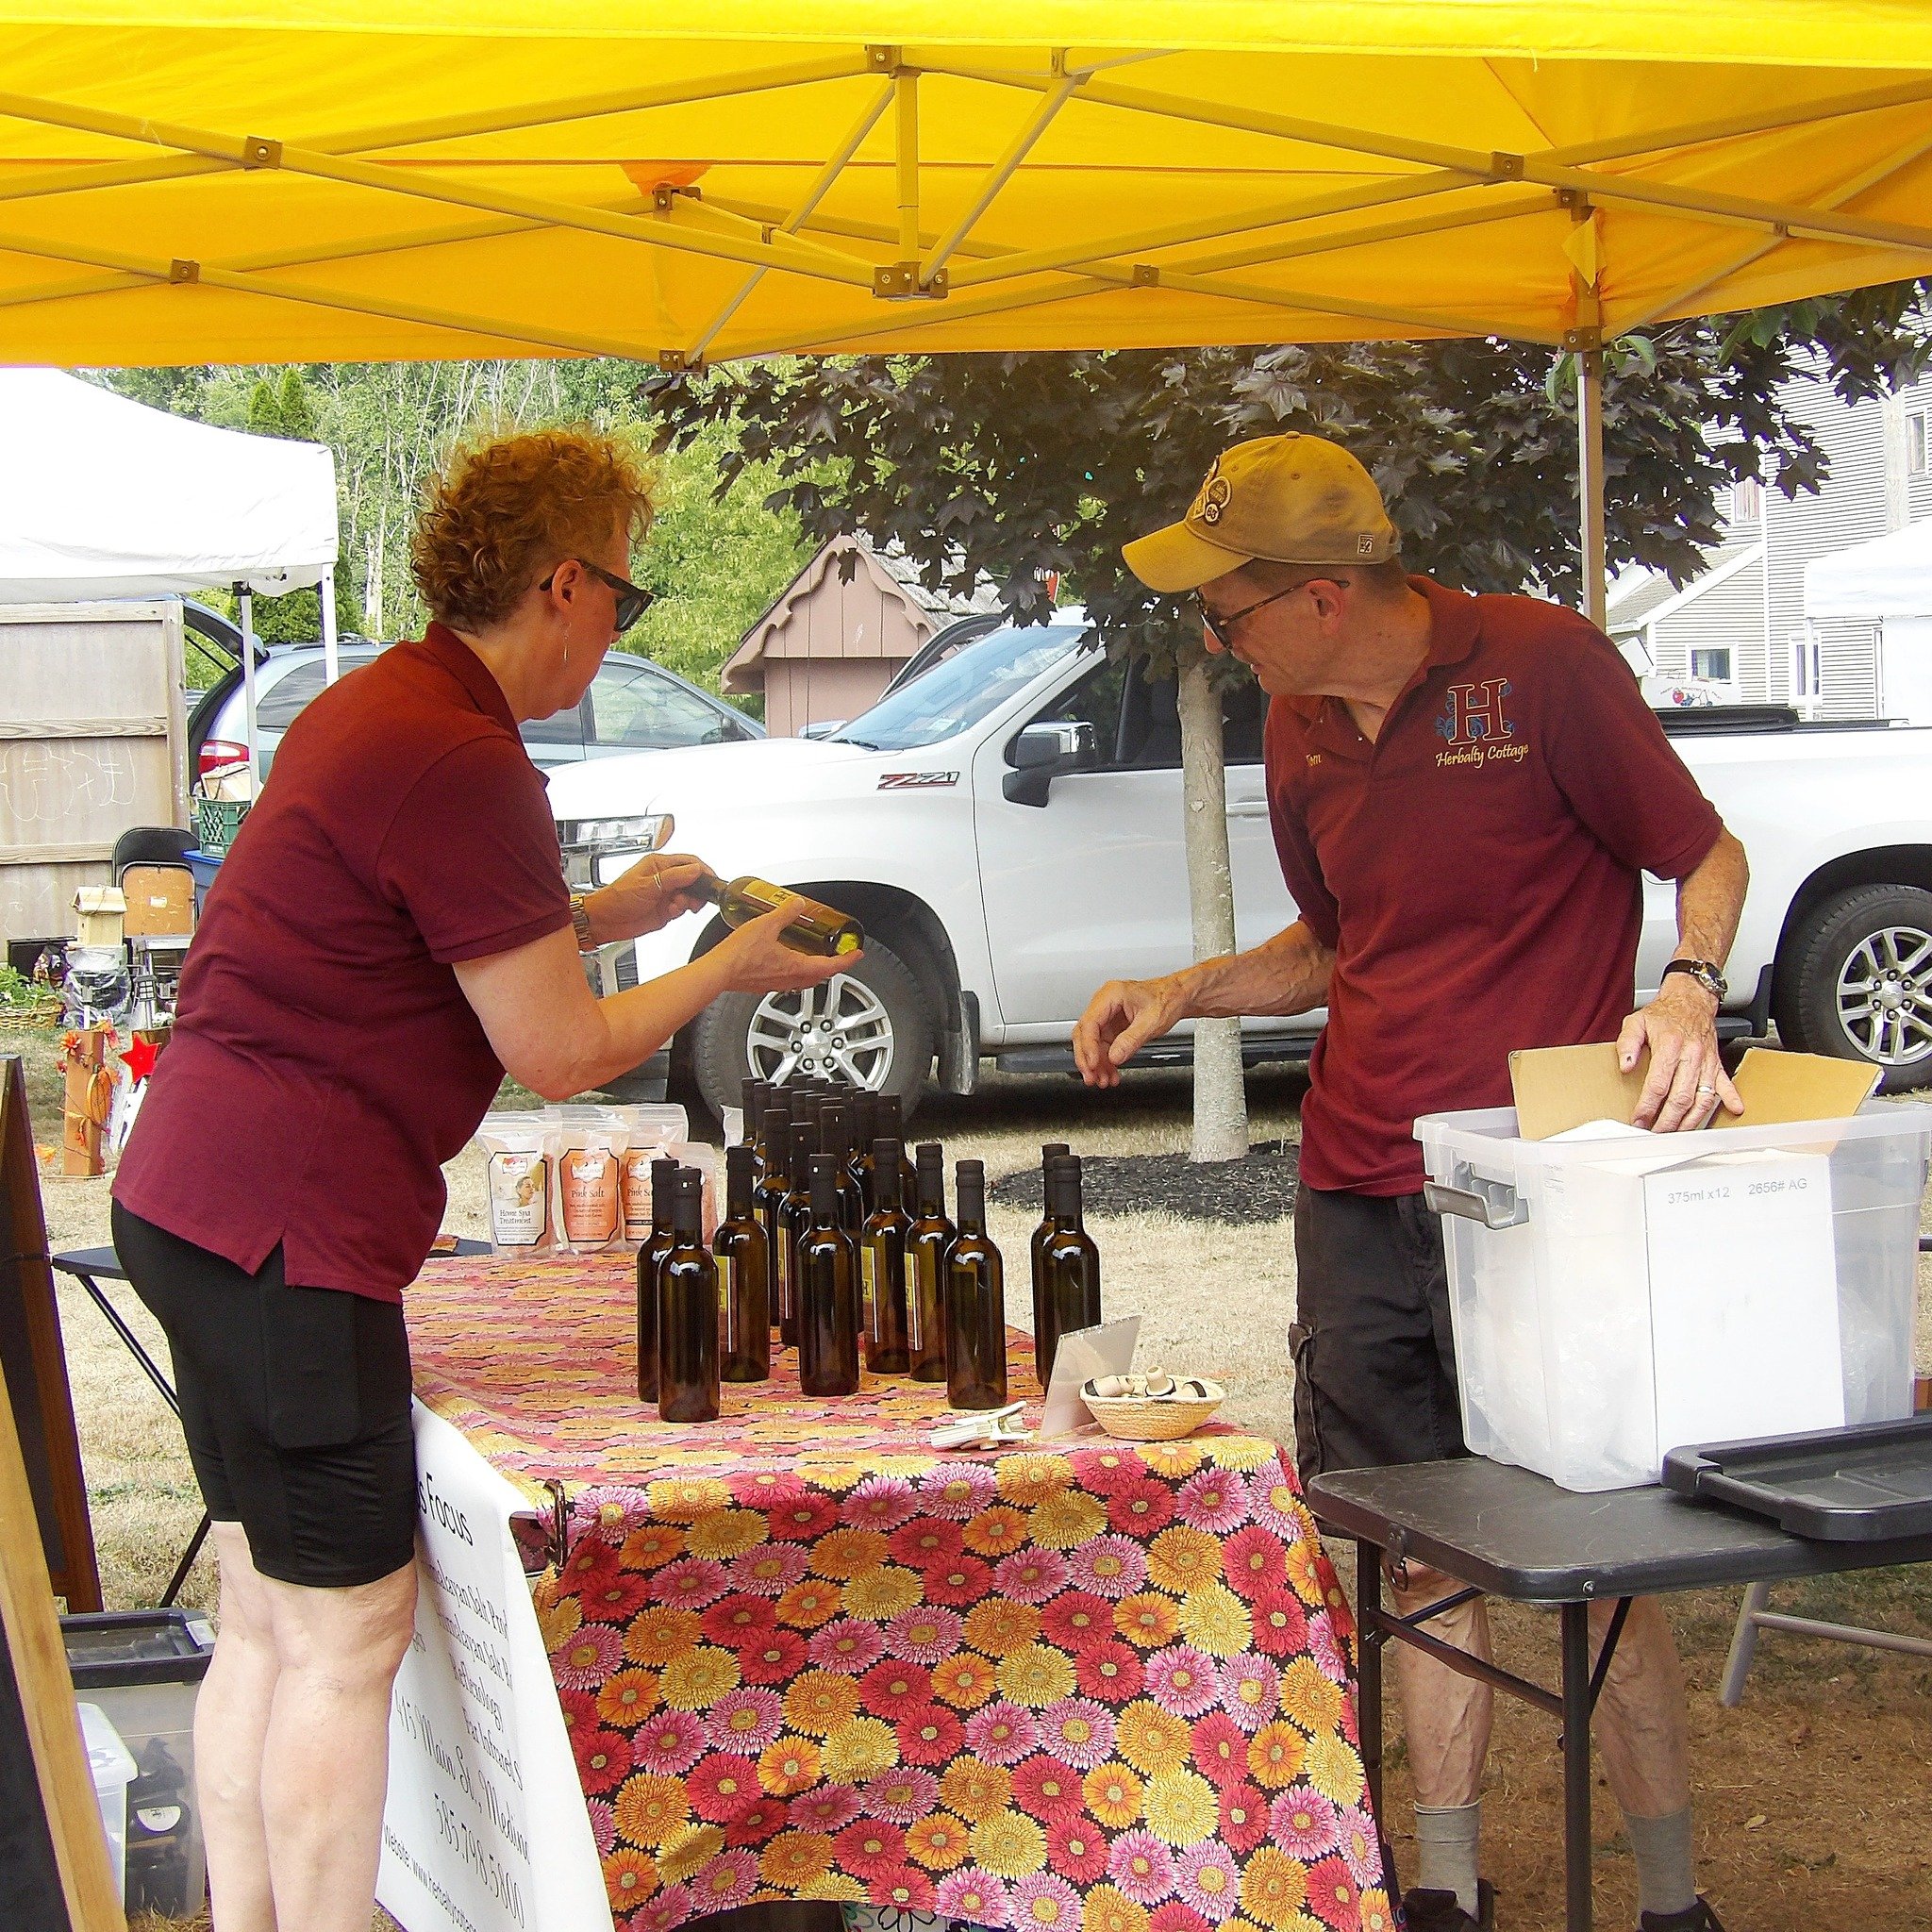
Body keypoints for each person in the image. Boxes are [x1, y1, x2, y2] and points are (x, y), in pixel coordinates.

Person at [111, 427, 848, 1932]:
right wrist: (727, 964)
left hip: (199, 1194)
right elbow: (559, 1054)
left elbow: (428, 927)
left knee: (263, 1609)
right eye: (629, 604)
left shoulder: (384, 700)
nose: (620, 631)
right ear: (563, 583)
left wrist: (601, 907)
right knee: (345, 1630)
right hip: (286, 1225)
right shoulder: (462, 753)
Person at [1074, 433, 1747, 1932]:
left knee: (1597, 1547)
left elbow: (1705, 853)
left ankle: (1671, 1900)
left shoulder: (1546, 668)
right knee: (1407, 1545)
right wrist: (1183, 989)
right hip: (1357, 1188)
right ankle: (1443, 1892)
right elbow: (1331, 946)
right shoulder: (1300, 728)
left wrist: (1691, 985)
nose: (1214, 639)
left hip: (1533, 1197)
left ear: (1320, 595)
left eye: (1226, 612)